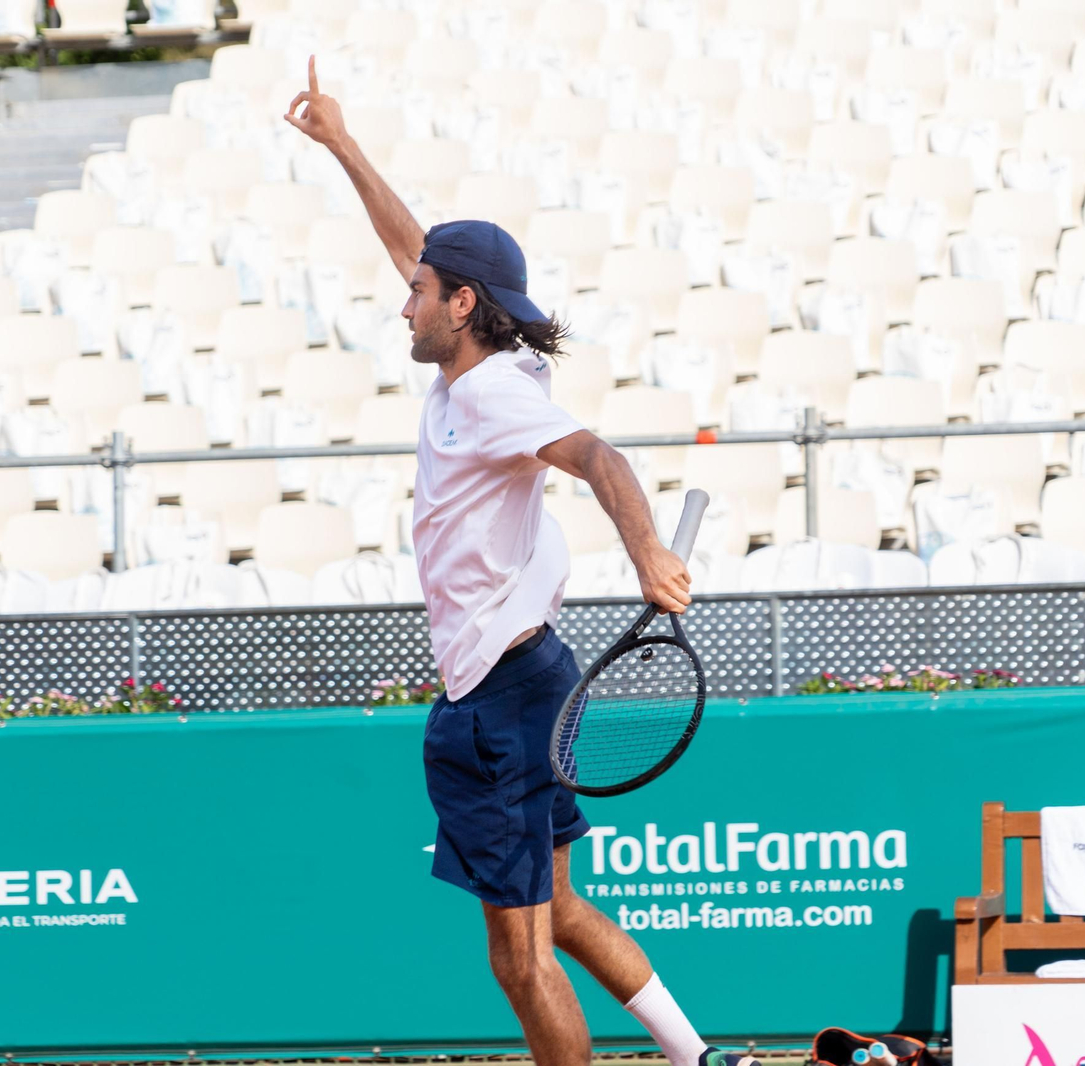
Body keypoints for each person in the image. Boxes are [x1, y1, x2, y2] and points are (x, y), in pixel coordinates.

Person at [284, 57, 751, 1066]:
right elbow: (411, 243)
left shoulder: (494, 395)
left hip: (497, 698)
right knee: (565, 911)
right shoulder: (483, 355)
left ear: (462, 305)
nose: (400, 302)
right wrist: (343, 145)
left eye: (419, 294)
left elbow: (595, 454)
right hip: (528, 674)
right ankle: (699, 1057)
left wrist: (648, 552)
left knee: (518, 954)